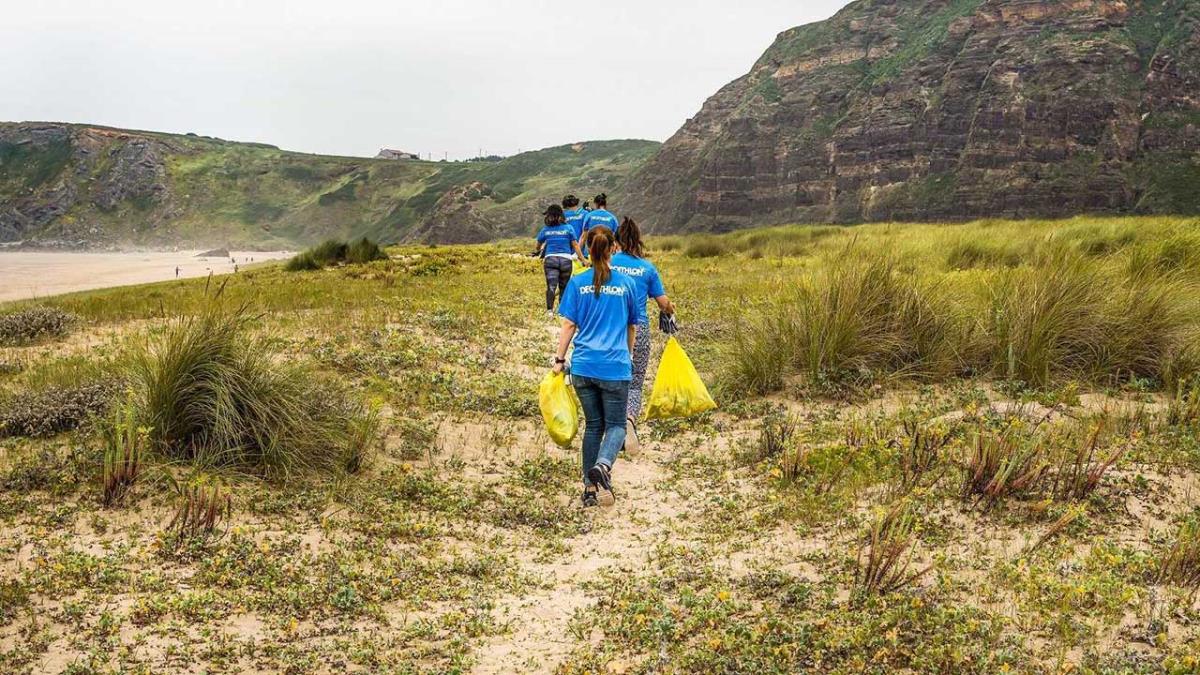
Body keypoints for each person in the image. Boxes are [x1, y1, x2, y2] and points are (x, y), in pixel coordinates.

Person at [552, 226, 638, 507]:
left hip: (584, 367)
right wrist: (628, 357)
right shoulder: (627, 284)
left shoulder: (578, 283)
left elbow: (568, 325)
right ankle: (602, 465)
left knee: (593, 426)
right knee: (617, 427)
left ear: (588, 249)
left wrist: (559, 360)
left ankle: (590, 490)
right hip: (615, 366)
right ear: (614, 248)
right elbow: (631, 327)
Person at [612, 217, 676, 453]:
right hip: (638, 330)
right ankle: (628, 421)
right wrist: (670, 309)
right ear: (638, 240)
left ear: (616, 240)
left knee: (611, 380)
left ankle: (612, 427)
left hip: (610, 329)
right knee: (635, 382)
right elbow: (663, 303)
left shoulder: (608, 264)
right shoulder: (647, 268)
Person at [536, 204, 586, 313]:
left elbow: (538, 244)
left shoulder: (546, 229)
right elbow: (576, 245)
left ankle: (549, 311)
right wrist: (583, 259)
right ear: (561, 215)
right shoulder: (569, 228)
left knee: (551, 286)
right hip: (565, 261)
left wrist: (538, 250)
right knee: (564, 287)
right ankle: (561, 311)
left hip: (551, 260)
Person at [580, 193, 618, 258]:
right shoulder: (612, 218)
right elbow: (615, 239)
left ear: (596, 204)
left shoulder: (589, 216)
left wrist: (580, 254)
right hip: (606, 253)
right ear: (605, 204)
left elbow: (583, 237)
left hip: (591, 253)